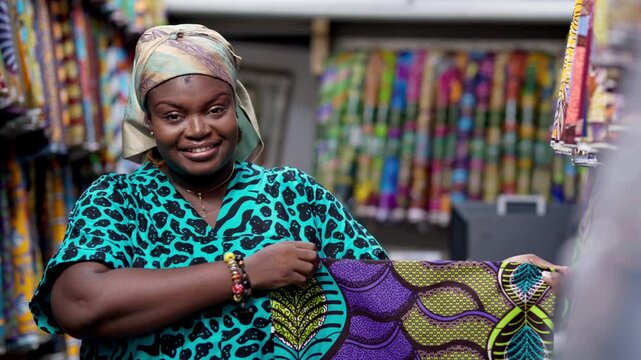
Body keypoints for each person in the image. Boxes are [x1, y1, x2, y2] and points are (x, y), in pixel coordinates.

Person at [29, 24, 565, 359]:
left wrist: (506, 284)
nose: (197, 130)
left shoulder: (294, 196)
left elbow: (385, 298)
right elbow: (80, 304)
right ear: (150, 123)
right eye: (173, 116)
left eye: (215, 110)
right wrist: (242, 274)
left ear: (237, 111)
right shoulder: (117, 202)